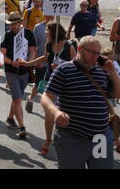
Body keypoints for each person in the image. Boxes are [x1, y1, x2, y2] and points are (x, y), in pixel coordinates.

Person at [40, 36, 120, 169]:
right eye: (92, 52)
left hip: (100, 137)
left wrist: (113, 72)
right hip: (72, 138)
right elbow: (46, 97)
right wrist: (56, 112)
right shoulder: (64, 70)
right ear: (80, 49)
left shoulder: (102, 72)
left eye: (98, 54)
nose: (95, 57)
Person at [24, 22, 76, 155]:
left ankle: (66, 141)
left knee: (64, 114)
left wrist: (62, 64)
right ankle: (48, 140)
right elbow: (45, 58)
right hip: (50, 82)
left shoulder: (69, 46)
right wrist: (28, 63)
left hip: (66, 85)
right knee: (48, 114)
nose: (45, 33)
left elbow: (76, 65)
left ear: (54, 33)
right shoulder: (49, 45)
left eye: (47, 31)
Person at [0, 12, 37, 139]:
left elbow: (33, 51)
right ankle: (22, 127)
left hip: (25, 71)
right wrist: (11, 62)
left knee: (17, 98)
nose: (12, 26)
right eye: (10, 24)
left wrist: (29, 63)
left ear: (20, 22)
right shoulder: (7, 36)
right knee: (17, 99)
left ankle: (10, 118)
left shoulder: (28, 33)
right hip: (11, 71)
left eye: (15, 23)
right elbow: (2, 55)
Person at [100, 48, 120, 154]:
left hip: (111, 99)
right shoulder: (99, 69)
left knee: (110, 121)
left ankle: (113, 143)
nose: (111, 60)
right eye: (109, 58)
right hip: (103, 100)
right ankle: (118, 144)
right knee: (112, 120)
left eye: (112, 58)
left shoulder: (114, 68)